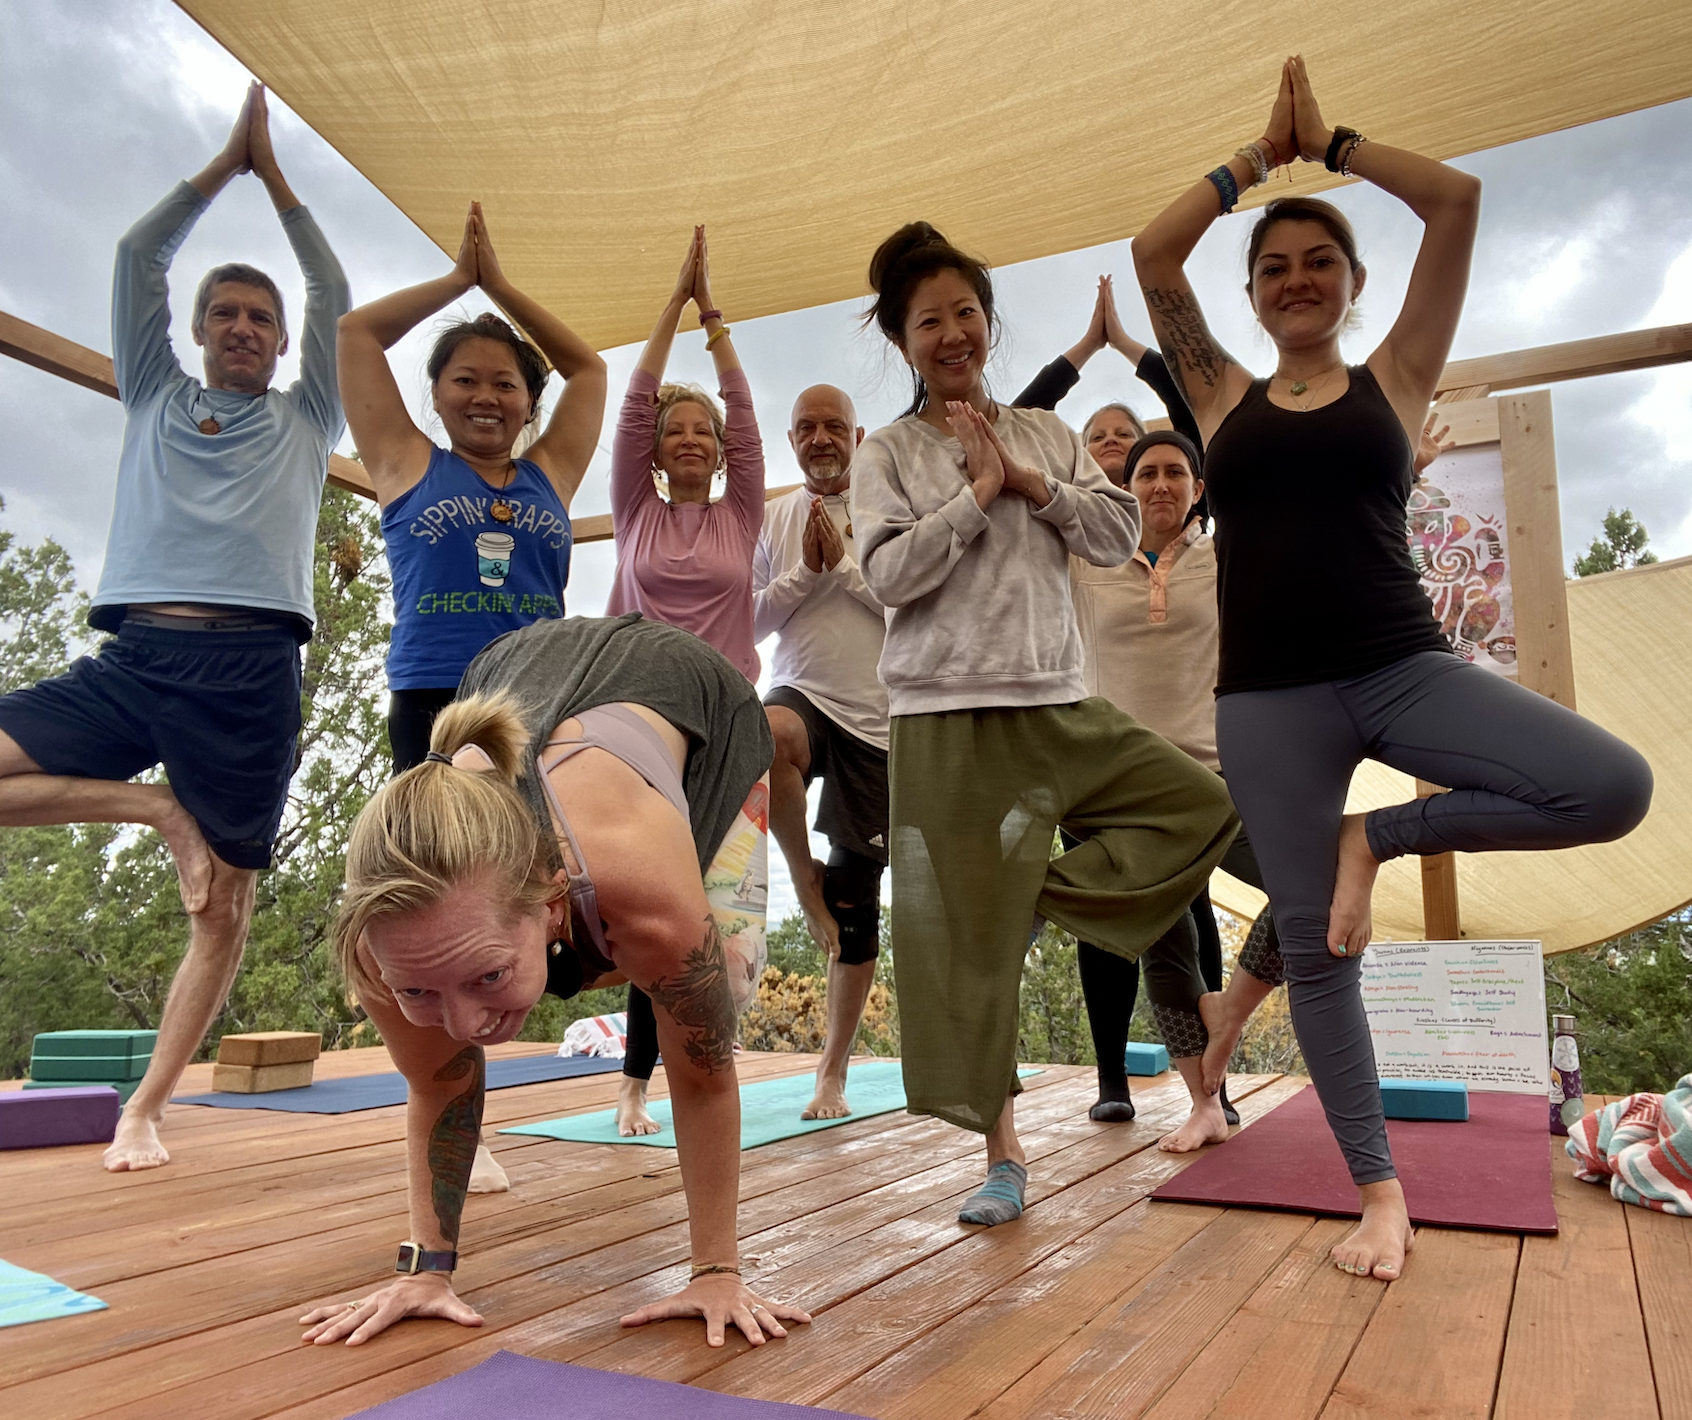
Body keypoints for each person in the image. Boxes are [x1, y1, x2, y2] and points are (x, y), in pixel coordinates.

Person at [1131, 55, 1653, 1282]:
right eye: (1274, 267)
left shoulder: (1398, 373)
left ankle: (1381, 836)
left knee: (1610, 785)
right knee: (1317, 949)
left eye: (1320, 261)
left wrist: (1335, 148)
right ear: (1251, 296)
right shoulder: (1217, 394)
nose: (1296, 278)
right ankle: (1379, 1194)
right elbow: (1155, 255)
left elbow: (1458, 201)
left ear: (1354, 284)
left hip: (1403, 666)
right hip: (1268, 702)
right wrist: (1254, 164)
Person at [850, 221, 1239, 1229]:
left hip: (1057, 702)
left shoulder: (1045, 435)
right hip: (943, 716)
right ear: (901, 339)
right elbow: (886, 575)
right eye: (929, 320)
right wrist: (973, 499)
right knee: (968, 955)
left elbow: (1114, 531)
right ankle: (1004, 1155)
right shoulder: (887, 452)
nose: (953, 334)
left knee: (1198, 807)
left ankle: (1037, 898)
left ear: (989, 322)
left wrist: (1027, 481)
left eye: (966, 313)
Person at [0, 85, 349, 1172]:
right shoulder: (152, 391)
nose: (242, 328)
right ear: (196, 333)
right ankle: (155, 807)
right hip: (137, 658)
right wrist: (222, 168)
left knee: (224, 906)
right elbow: (135, 256)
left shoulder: (308, 418)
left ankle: (144, 1109)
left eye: (260, 319)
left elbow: (334, 292)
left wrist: (278, 181)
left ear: (281, 343)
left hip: (251, 672)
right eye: (224, 314)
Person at [298, 613, 808, 1349]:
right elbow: (439, 1084)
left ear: (551, 901)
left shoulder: (645, 900)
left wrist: (716, 1273)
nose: (465, 1025)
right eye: (419, 991)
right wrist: (425, 1271)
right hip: (513, 666)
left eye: (488, 974)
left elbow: (703, 1084)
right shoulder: (388, 938)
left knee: (715, 979)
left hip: (697, 690)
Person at [337, 200, 607, 776]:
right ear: (436, 395)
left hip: (537, 690)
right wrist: (460, 280)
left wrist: (500, 288)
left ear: (529, 403)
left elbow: (589, 370)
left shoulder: (549, 474)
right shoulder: (406, 464)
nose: (485, 396)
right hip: (434, 697)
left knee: (533, 834)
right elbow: (356, 332)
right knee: (441, 836)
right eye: (465, 380)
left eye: (505, 384)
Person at [607, 227, 767, 1136]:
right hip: (642, 723)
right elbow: (633, 404)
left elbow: (746, 409)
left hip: (731, 726)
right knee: (653, 905)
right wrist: (673, 306)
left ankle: (710, 1070)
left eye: (705, 430)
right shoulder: (635, 509)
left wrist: (718, 323)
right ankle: (635, 1082)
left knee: (725, 907)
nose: (694, 439)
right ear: (659, 453)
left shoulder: (743, 512)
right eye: (678, 431)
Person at [753, 384, 890, 1121]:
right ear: (791, 439)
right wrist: (805, 572)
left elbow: (913, 605)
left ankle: (831, 1073)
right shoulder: (773, 516)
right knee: (766, 733)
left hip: (880, 718)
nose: (820, 438)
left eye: (834, 426)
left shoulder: (888, 504)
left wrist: (841, 568)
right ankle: (802, 882)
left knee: (856, 902)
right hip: (801, 691)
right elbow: (745, 620)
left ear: (858, 436)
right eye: (806, 427)